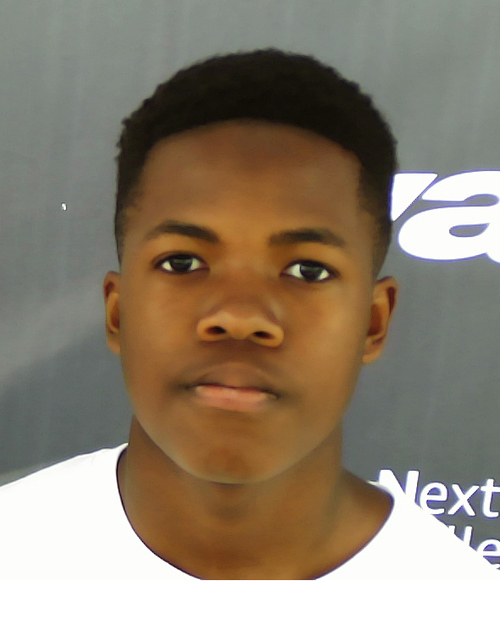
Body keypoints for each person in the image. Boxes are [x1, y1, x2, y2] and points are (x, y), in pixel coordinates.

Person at [0, 48, 497, 580]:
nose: (239, 316)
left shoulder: (465, 602)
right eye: (183, 262)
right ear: (117, 312)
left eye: (307, 270)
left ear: (373, 323)